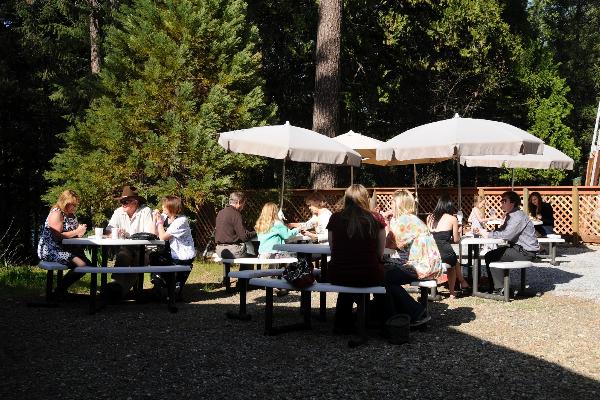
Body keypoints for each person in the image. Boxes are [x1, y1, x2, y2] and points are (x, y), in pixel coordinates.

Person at [326, 184, 387, 332]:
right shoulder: (376, 219)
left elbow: (333, 248)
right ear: (365, 199)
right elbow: (380, 253)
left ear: (346, 199)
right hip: (369, 274)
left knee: (348, 272)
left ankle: (342, 322)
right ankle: (372, 318)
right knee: (377, 272)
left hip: (338, 273)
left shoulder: (335, 218)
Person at [385, 190, 443, 325]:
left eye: (392, 202)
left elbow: (389, 243)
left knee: (384, 278)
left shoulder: (404, 220)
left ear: (399, 204)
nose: (390, 205)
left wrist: (386, 222)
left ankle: (416, 312)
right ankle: (398, 313)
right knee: (385, 274)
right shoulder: (412, 218)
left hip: (420, 265)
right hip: (429, 263)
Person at [478, 191, 540, 295]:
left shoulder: (517, 216)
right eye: (501, 200)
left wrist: (488, 235)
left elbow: (507, 235)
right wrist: (488, 232)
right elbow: (502, 230)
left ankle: (500, 289)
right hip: (519, 249)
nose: (501, 203)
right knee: (491, 255)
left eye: (504, 200)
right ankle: (497, 287)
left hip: (526, 252)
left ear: (513, 202)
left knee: (492, 256)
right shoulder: (511, 215)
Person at [104, 185, 156, 301]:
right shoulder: (118, 212)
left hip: (145, 248)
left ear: (135, 202)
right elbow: (107, 230)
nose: (122, 204)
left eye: (125, 201)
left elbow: (149, 234)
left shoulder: (145, 211)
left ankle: (117, 292)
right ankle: (116, 285)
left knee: (139, 260)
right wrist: (115, 232)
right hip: (126, 247)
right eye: (121, 201)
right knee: (123, 256)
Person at [37, 189, 90, 298]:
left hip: (66, 248)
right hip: (51, 249)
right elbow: (58, 235)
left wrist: (80, 231)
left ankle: (60, 290)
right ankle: (58, 291)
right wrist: (76, 232)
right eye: (72, 204)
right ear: (65, 202)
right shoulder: (57, 213)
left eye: (75, 205)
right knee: (82, 265)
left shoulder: (71, 214)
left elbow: (72, 233)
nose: (73, 207)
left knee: (88, 264)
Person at [152, 195, 196, 300]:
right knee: (154, 257)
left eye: (165, 206)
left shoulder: (181, 221)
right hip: (171, 253)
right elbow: (154, 233)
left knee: (174, 284)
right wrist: (155, 219)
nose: (162, 207)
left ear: (172, 208)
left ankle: (173, 292)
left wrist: (159, 222)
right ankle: (162, 287)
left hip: (183, 256)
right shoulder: (165, 216)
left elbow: (162, 237)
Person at [426, 195, 469, 298]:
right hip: (445, 253)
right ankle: (452, 292)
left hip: (431, 253)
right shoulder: (452, 219)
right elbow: (456, 240)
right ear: (449, 206)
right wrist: (458, 231)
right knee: (453, 263)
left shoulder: (429, 217)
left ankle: (462, 283)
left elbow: (430, 237)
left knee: (454, 260)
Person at [255, 202, 300, 297]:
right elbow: (287, 235)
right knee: (292, 259)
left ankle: (271, 284)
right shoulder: (277, 223)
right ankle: (285, 285)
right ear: (274, 212)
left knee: (276, 265)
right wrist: (298, 229)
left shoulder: (260, 223)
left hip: (263, 253)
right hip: (275, 252)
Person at [214, 191, 257, 259]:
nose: (243, 206)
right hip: (233, 250)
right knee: (252, 255)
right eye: (243, 204)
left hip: (219, 250)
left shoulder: (221, 212)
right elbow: (244, 237)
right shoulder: (236, 214)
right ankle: (246, 270)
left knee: (248, 250)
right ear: (239, 202)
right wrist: (256, 232)